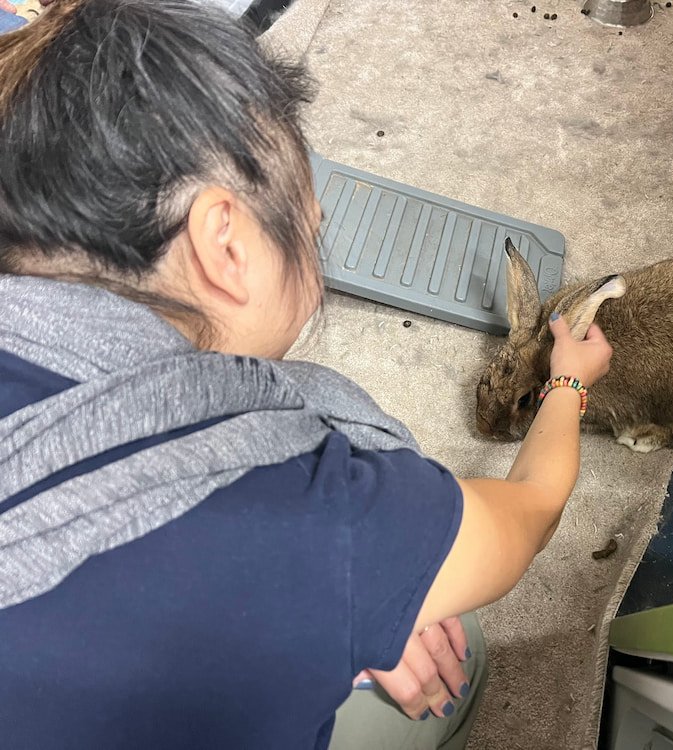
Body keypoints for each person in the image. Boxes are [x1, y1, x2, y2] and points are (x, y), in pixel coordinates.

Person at [0, 1, 612, 749]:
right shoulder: (310, 513)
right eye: (310, 230)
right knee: (451, 651)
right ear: (226, 246)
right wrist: (568, 381)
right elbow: (531, 509)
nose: (316, 246)